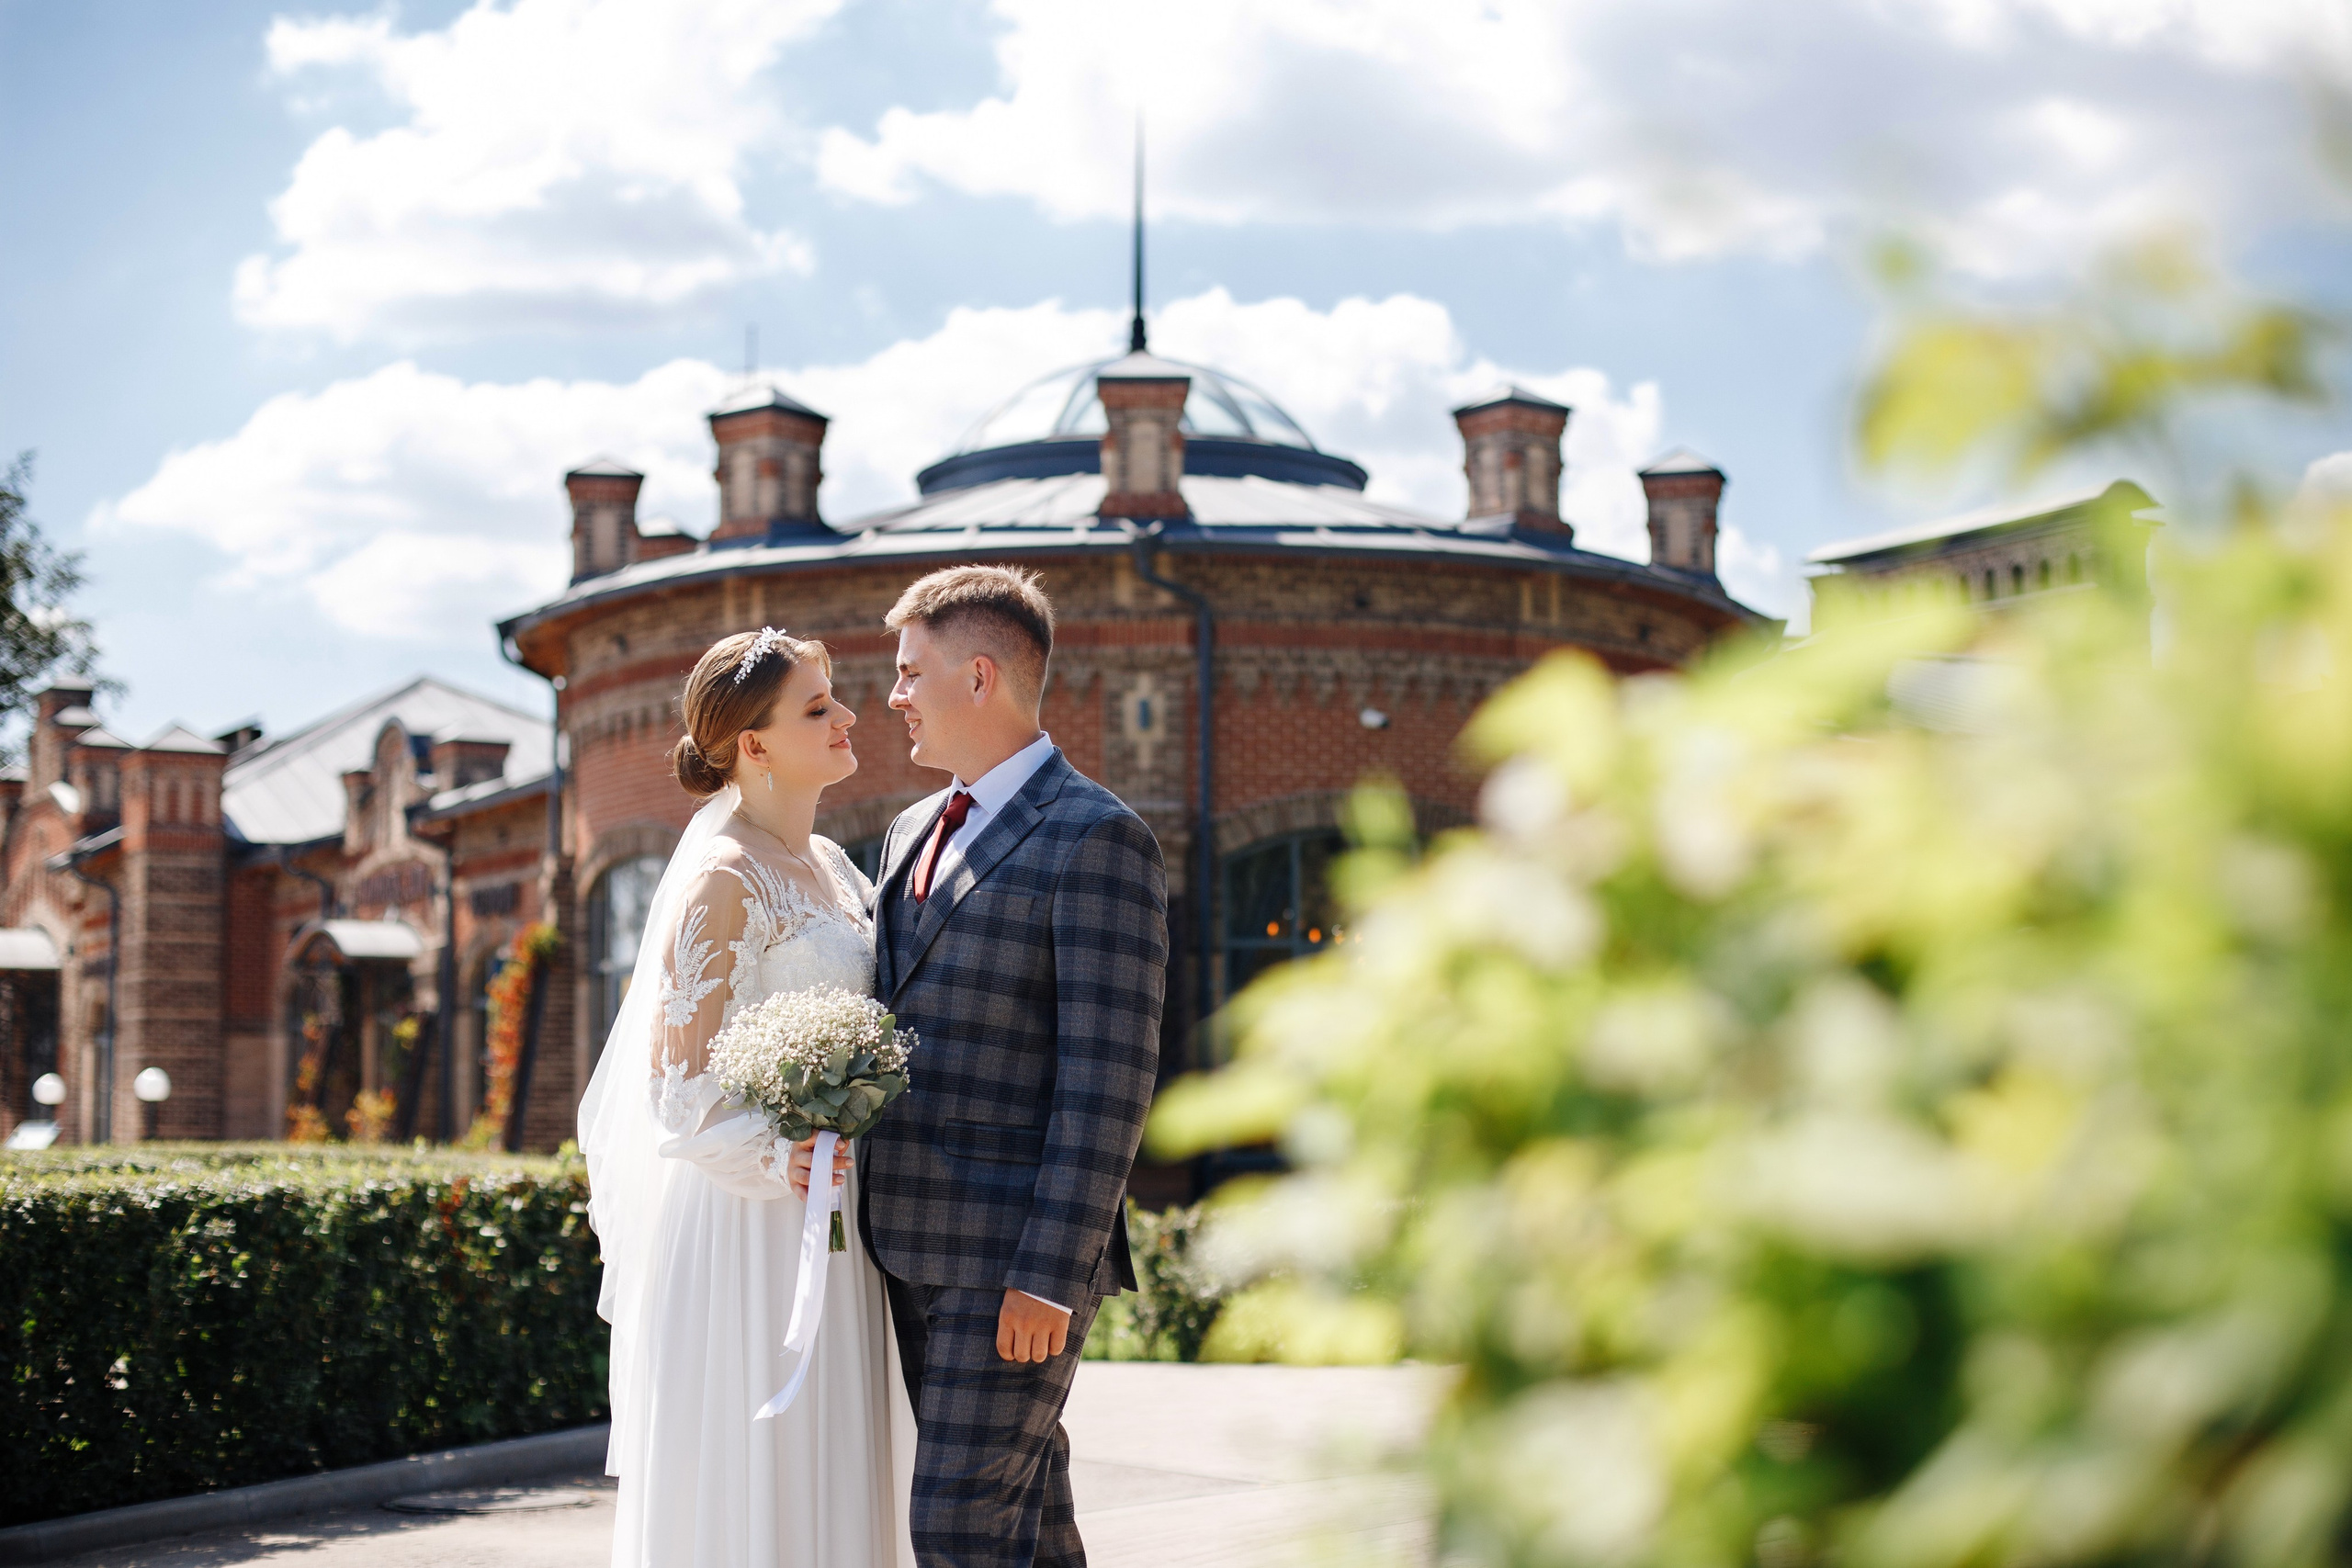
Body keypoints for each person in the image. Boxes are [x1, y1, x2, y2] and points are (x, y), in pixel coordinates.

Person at [857, 565, 1170, 1568]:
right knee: (1024, 1524)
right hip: (904, 1240)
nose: (894, 695)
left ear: (978, 677)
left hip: (1012, 1266)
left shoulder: (1098, 838)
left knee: (956, 1529)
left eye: (910, 673)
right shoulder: (909, 831)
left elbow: (1107, 1083)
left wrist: (1047, 1274)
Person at [579, 626, 908, 1568]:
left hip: (835, 1218)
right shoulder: (722, 882)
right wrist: (782, 1155)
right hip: (748, 1228)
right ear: (753, 746)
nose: (848, 716)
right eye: (818, 707)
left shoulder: (837, 870)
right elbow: (677, 1092)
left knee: (835, 1470)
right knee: (760, 1474)